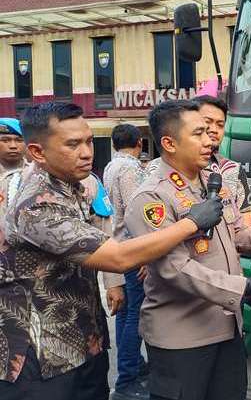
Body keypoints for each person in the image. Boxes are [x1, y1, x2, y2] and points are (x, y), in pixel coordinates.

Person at [0, 101, 225, 400]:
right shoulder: (36, 203)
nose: (86, 152)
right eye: (72, 144)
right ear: (38, 152)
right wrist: (192, 222)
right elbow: (117, 257)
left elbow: (103, 232)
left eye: (89, 141)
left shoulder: (77, 185)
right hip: (39, 358)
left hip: (83, 343)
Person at [124, 100, 251, 400]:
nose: (209, 140)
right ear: (169, 143)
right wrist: (247, 287)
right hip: (182, 338)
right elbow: (174, 269)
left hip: (227, 327)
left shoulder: (212, 182)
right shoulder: (152, 197)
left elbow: (235, 234)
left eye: (210, 131)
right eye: (198, 134)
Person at [103, 123, 150, 400]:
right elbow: (137, 211)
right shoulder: (132, 168)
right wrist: (146, 253)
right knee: (136, 315)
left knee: (124, 313)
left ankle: (133, 368)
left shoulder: (110, 167)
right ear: (140, 143)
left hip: (116, 247)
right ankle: (127, 379)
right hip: (132, 248)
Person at [194, 95, 251, 227]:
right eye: (207, 122)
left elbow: (246, 227)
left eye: (220, 125)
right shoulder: (159, 169)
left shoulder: (233, 169)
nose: (214, 130)